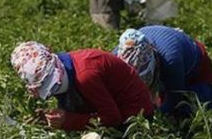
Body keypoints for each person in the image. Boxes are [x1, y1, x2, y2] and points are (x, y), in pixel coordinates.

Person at [11, 41, 153, 131]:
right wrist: (48, 119)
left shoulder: (85, 76)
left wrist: (68, 121)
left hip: (135, 117)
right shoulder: (66, 66)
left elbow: (112, 118)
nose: (52, 90)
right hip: (108, 105)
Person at [114, 27, 212, 118]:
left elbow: (174, 98)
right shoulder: (116, 59)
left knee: (186, 108)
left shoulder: (171, 60)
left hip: (196, 65)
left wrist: (156, 120)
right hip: (165, 48)